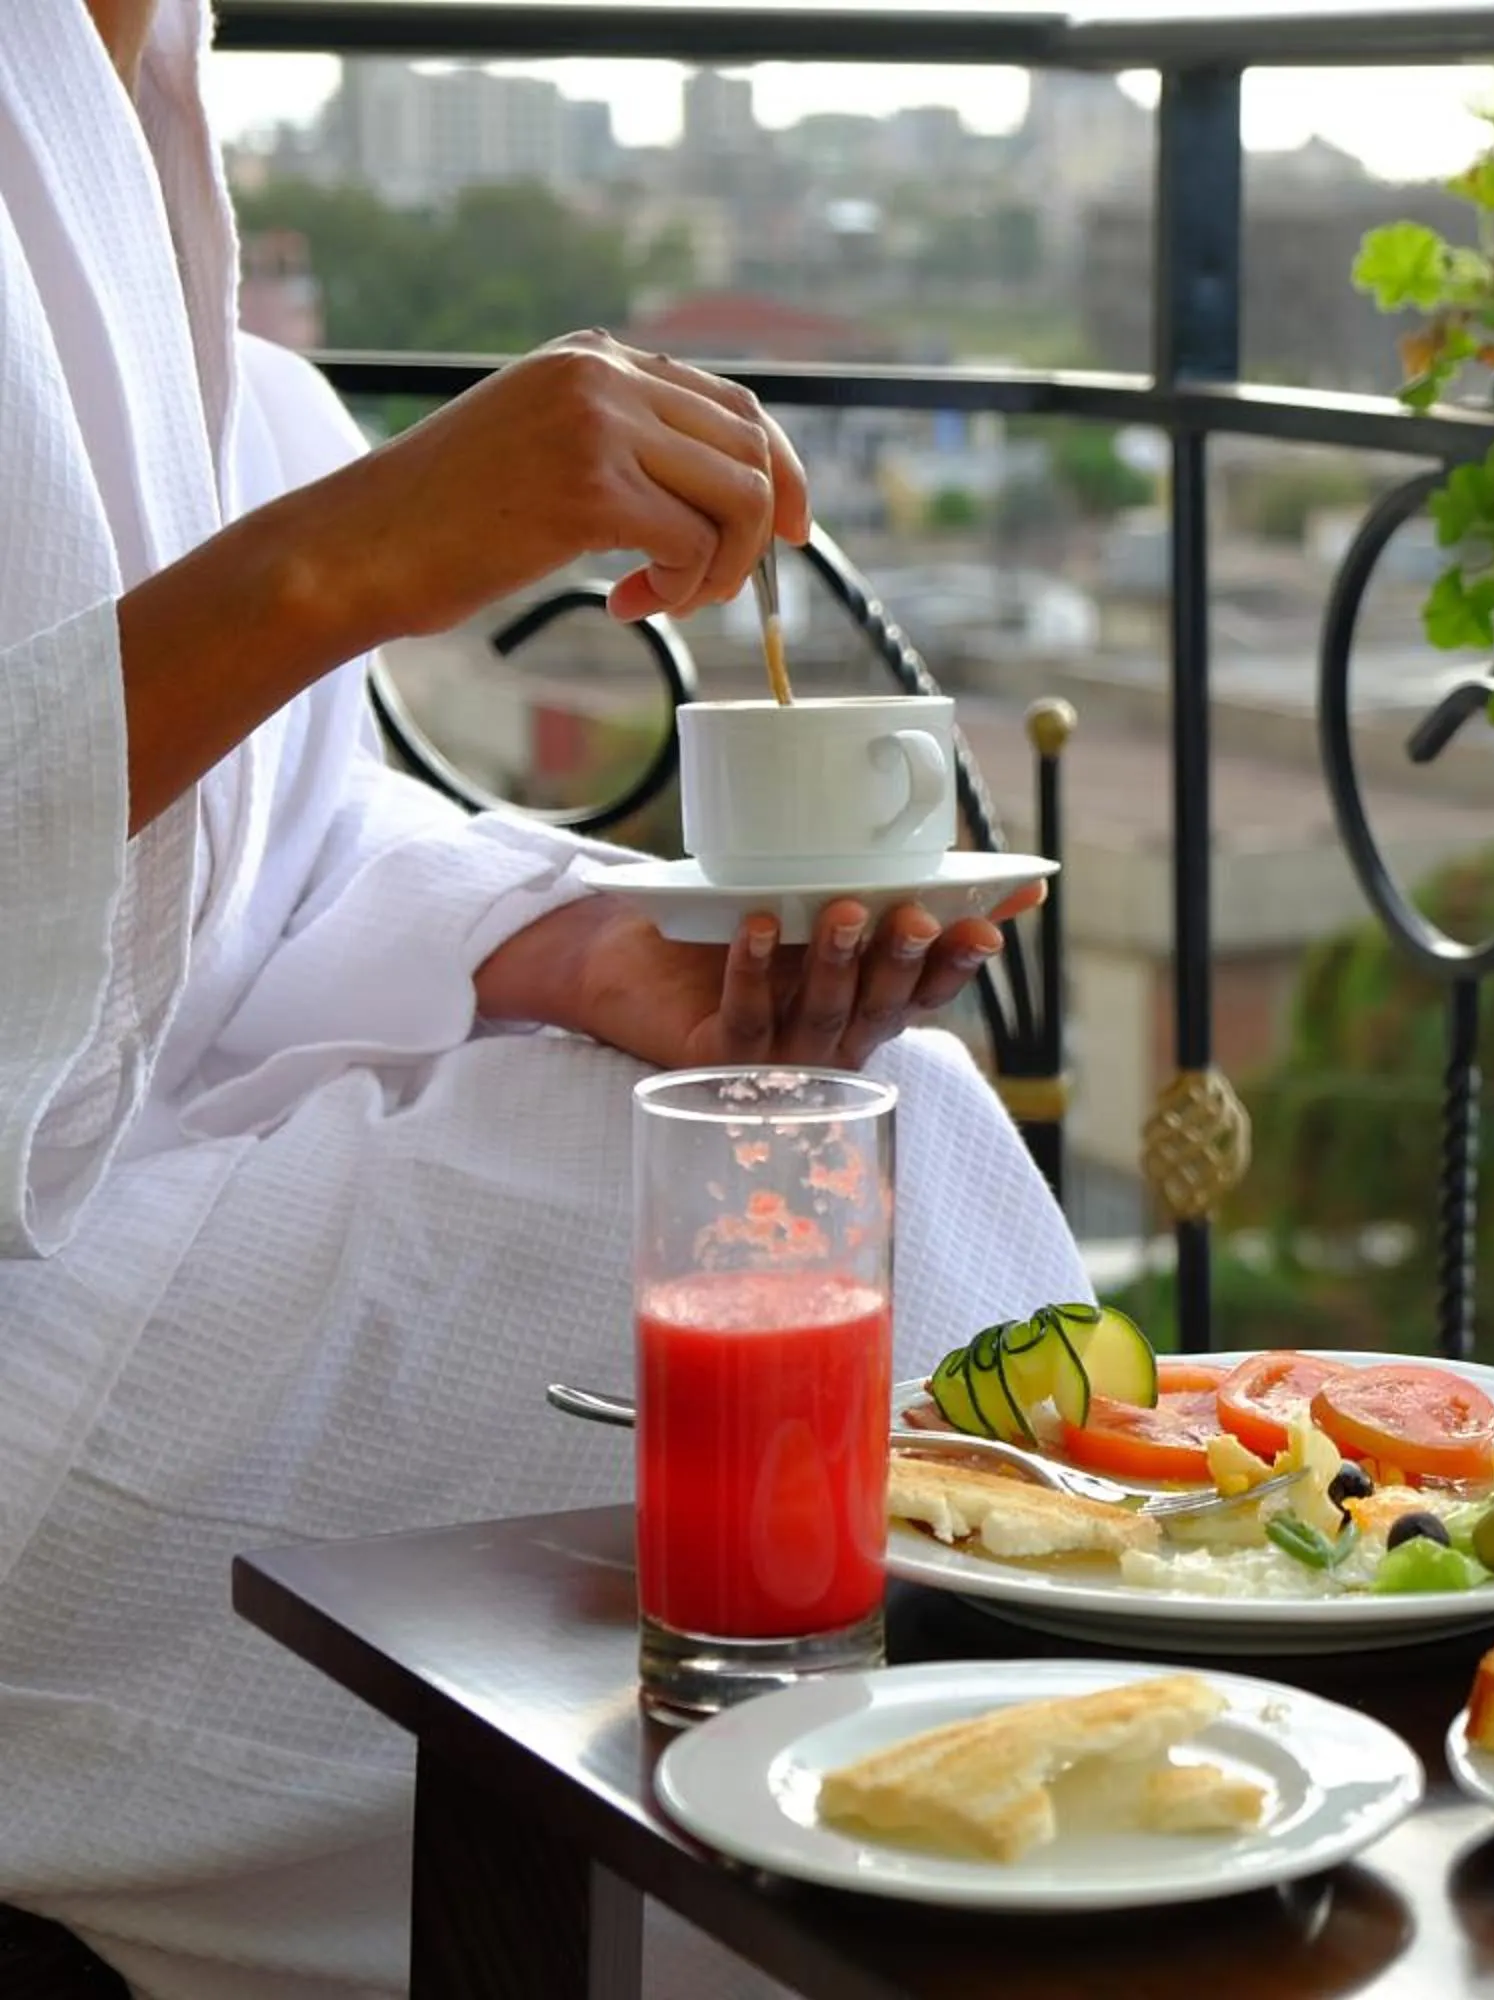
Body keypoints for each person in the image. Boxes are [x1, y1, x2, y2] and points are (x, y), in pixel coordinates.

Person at [0, 3, 1090, 1993]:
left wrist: (571, 949)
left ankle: (995, 1847)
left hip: (124, 1198)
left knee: (850, 1118)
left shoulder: (146, 97)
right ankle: (983, 1871)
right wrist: (336, 565)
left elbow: (277, 853)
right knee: (834, 1282)